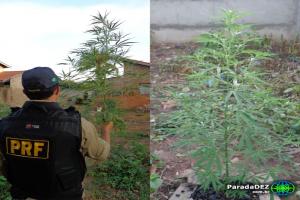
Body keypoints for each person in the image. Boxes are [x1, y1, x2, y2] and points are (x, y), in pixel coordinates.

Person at [0, 67, 112, 200]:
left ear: (25, 92)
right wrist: (106, 130)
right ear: (57, 90)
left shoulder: (5, 124)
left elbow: (3, 166)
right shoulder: (78, 124)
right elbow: (101, 154)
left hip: (23, 194)